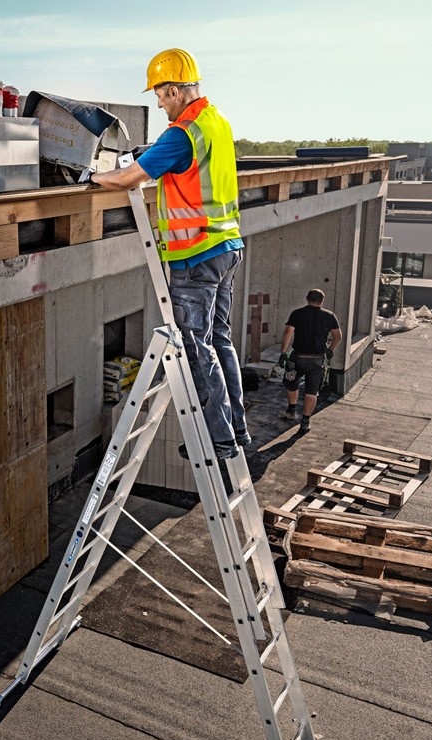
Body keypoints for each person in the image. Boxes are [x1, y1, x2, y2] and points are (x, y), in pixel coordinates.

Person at [87, 48, 247, 459]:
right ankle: (236, 427)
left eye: (159, 95)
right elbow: (181, 165)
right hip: (226, 247)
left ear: (175, 90)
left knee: (196, 347)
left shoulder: (182, 133)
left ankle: (219, 438)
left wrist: (93, 175)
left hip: (195, 256)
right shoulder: (216, 122)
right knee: (220, 341)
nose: (158, 103)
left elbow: (128, 179)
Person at [279, 289, 341, 435]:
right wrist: (330, 349)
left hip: (297, 358)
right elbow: (338, 337)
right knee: (312, 391)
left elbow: (288, 333)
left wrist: (283, 353)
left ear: (307, 299)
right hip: (317, 360)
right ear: (322, 301)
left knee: (291, 383)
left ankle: (292, 410)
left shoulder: (297, 314)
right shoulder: (329, 316)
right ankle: (305, 422)